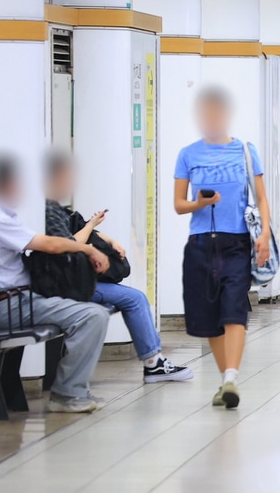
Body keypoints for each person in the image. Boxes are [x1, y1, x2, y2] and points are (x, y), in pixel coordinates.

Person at [44, 150, 192, 385]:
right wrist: (92, 228)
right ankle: (153, 364)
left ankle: (154, 361)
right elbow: (70, 245)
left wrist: (111, 240)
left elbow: (81, 228)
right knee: (134, 298)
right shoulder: (47, 211)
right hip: (66, 284)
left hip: (73, 279)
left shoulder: (58, 209)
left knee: (132, 298)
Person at [173, 87, 273, 410]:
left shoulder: (245, 150)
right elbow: (178, 204)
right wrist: (198, 203)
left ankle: (231, 377)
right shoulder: (188, 154)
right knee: (208, 318)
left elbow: (261, 197)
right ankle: (225, 379)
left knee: (234, 309)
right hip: (201, 243)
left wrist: (264, 234)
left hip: (237, 241)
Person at [0, 154, 111, 414]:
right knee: (93, 315)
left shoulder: (2, 215)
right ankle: (67, 393)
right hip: (8, 305)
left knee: (93, 312)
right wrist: (89, 251)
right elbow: (51, 244)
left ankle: (73, 390)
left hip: (20, 300)